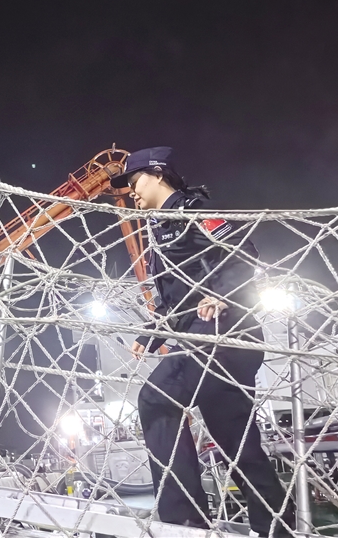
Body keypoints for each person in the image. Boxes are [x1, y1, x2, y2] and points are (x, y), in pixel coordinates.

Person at [110, 147, 294, 538]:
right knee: (234, 439)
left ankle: (184, 518)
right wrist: (150, 334)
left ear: (158, 174)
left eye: (135, 181)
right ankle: (277, 524)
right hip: (215, 338)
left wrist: (223, 295)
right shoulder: (160, 229)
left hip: (221, 333)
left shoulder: (192, 211)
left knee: (156, 399)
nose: (131, 192)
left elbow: (242, 253)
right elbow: (176, 299)